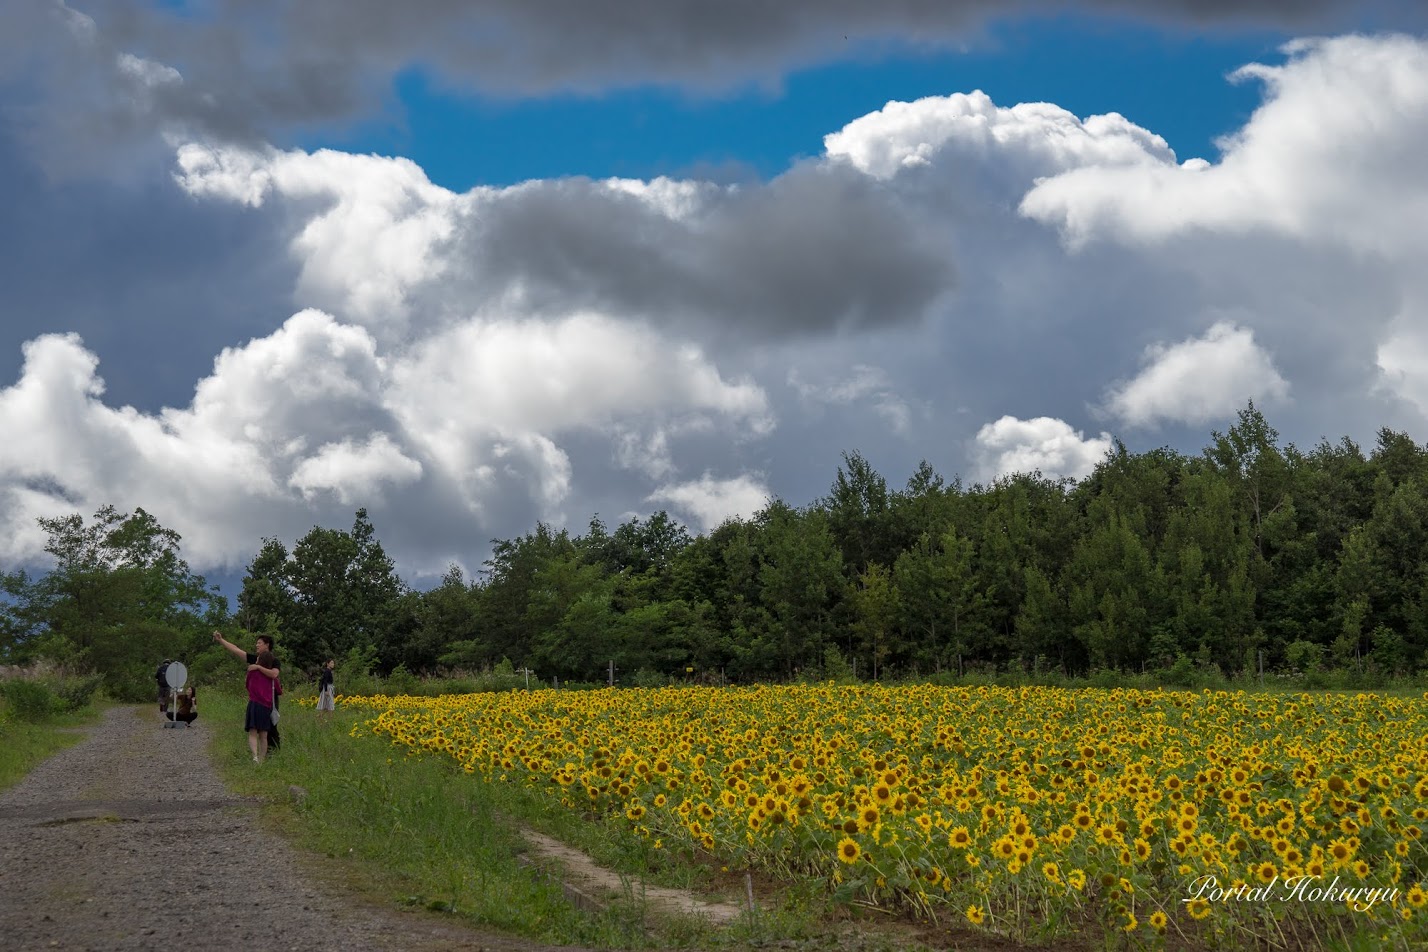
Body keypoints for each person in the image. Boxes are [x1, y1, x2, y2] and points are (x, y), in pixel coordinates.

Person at [212, 631, 280, 763]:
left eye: (259, 643)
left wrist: (258, 668)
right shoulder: (255, 659)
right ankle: (261, 757)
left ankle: (273, 752)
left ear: (267, 645)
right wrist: (221, 640)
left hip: (270, 698)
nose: (257, 645)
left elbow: (274, 674)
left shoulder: (273, 660)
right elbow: (237, 650)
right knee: (257, 730)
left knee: (271, 726)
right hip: (257, 699)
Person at [316, 658, 336, 723]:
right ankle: (329, 719)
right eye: (331, 663)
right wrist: (326, 690)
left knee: (327, 704)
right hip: (327, 688)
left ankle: (320, 716)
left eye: (333, 663)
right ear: (328, 664)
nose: (333, 664)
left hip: (329, 687)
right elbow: (325, 681)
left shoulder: (328, 671)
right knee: (329, 704)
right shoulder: (327, 671)